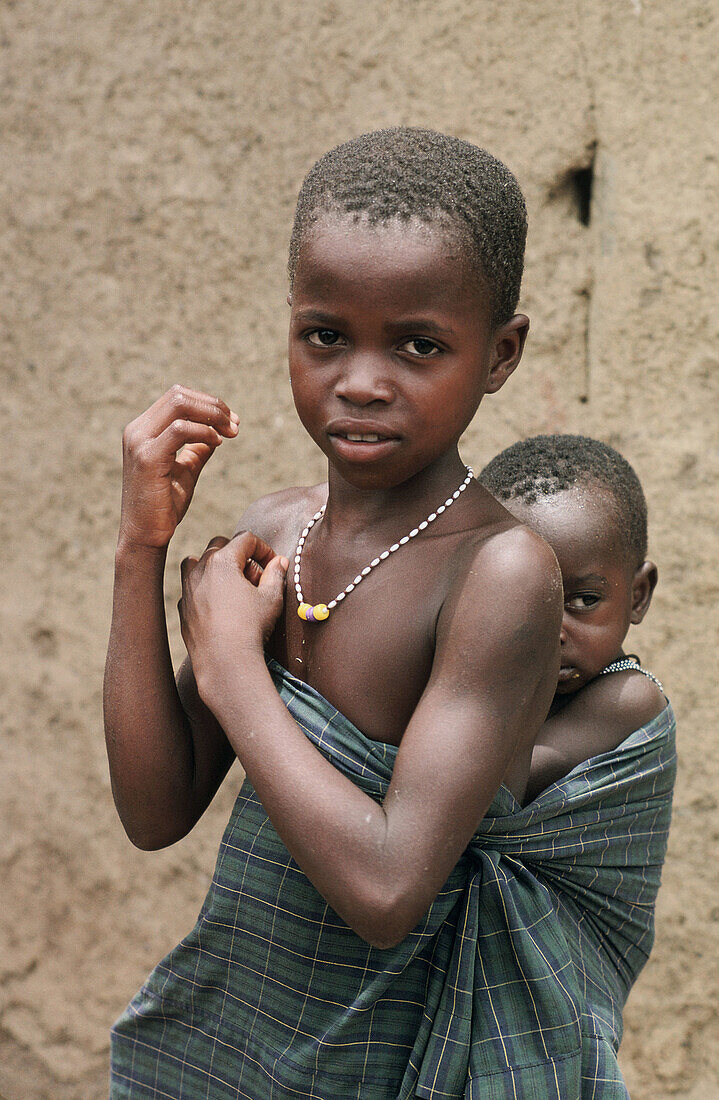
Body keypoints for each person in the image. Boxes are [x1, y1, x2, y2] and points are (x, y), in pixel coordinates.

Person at [105, 130, 670, 1100]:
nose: (362, 380)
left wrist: (237, 669)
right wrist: (139, 548)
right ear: (289, 325)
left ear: (499, 354)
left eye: (417, 343)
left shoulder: (499, 573)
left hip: (386, 1065)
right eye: (326, 334)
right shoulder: (276, 526)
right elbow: (155, 812)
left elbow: (384, 890)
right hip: (236, 1043)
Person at [479, 433, 676, 802]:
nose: (551, 633)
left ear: (638, 596)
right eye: (520, 602)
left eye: (585, 600)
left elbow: (493, 790)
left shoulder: (629, 699)